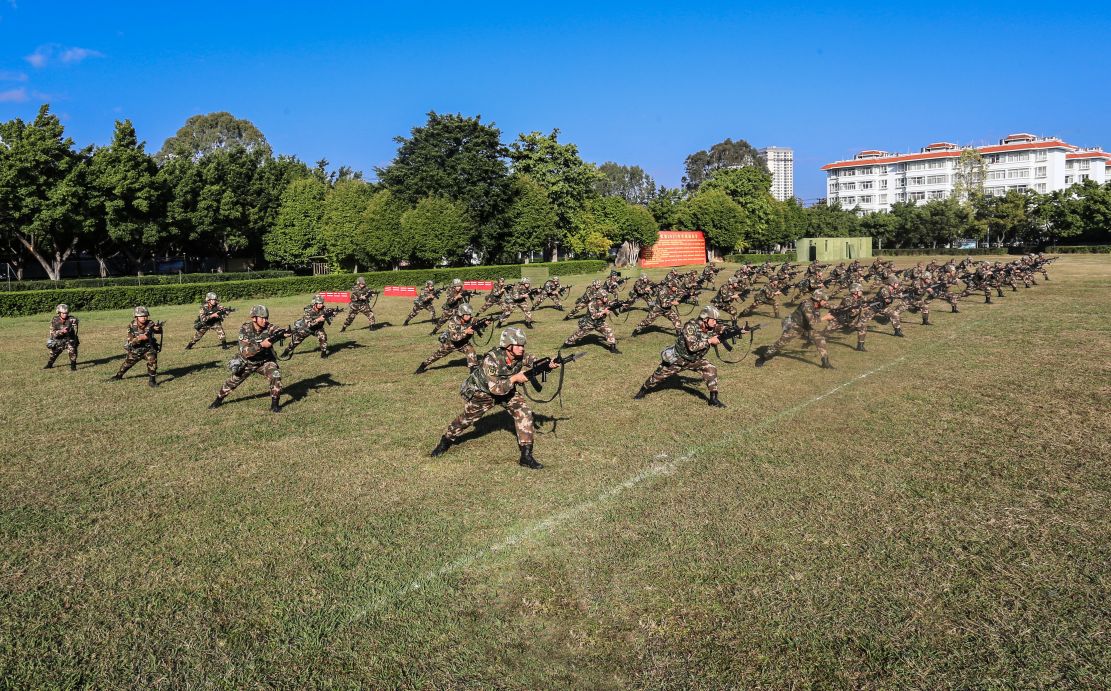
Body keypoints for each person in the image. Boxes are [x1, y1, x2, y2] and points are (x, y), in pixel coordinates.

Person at [430, 327, 560, 469]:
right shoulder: (491, 360)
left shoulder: (519, 355)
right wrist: (515, 378)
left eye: (523, 345)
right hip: (484, 394)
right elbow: (495, 389)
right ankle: (446, 441)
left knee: (524, 413)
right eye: (518, 345)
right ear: (508, 346)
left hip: (507, 391)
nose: (522, 349)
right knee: (464, 420)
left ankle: (526, 455)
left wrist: (549, 364)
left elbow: (535, 362)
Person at [634, 305, 732, 407]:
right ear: (705, 318)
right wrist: (709, 341)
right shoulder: (690, 326)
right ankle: (642, 390)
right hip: (678, 360)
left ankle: (713, 399)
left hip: (694, 360)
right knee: (656, 377)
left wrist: (737, 330)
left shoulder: (709, 326)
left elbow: (720, 328)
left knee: (711, 369)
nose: (715, 323)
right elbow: (692, 347)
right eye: (713, 320)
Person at [209, 305, 286, 413]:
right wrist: (262, 345)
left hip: (265, 361)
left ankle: (275, 405)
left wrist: (285, 333)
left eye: (266, 318)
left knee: (275, 375)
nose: (265, 320)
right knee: (232, 382)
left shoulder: (268, 326)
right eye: (262, 318)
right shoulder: (245, 329)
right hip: (248, 362)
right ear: (254, 318)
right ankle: (218, 400)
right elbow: (245, 352)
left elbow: (278, 330)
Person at [754, 290, 835, 369]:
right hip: (795, 326)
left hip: (805, 326)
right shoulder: (807, 305)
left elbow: (828, 305)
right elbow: (812, 322)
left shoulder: (817, 303)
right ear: (818, 299)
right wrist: (825, 317)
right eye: (824, 300)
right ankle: (763, 357)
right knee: (780, 344)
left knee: (820, 339)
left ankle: (825, 362)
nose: (825, 302)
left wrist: (842, 307)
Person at [415, 303, 481, 373]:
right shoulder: (453, 321)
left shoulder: (471, 319)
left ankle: (473, 369)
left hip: (463, 343)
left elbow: (479, 322)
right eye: (467, 314)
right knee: (437, 355)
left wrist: (486, 323)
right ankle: (423, 365)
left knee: (470, 350)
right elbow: (454, 337)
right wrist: (466, 332)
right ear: (461, 314)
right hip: (450, 343)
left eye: (470, 314)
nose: (469, 316)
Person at [111, 306, 163, 386]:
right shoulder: (131, 326)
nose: (144, 318)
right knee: (127, 364)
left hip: (148, 348)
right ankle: (118, 376)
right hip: (136, 349)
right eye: (141, 316)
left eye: (145, 315)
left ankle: (152, 381)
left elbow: (157, 330)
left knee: (152, 360)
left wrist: (158, 328)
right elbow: (130, 341)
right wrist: (140, 338)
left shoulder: (150, 323)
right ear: (136, 317)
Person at [282, 294, 333, 359]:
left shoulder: (323, 309)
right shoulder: (308, 311)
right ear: (314, 303)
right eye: (319, 303)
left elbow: (328, 312)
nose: (321, 305)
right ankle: (286, 351)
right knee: (296, 341)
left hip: (317, 328)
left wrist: (332, 313)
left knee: (323, 337)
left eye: (322, 303)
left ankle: (323, 353)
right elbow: (309, 324)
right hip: (306, 328)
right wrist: (318, 319)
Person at [44, 303, 79, 371]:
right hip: (59, 340)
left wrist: (75, 322)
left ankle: (73, 367)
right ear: (59, 312)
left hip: (70, 339)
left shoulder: (71, 318)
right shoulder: (54, 320)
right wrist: (61, 331)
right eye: (63, 313)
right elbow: (52, 333)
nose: (65, 314)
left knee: (72, 351)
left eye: (66, 313)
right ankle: (49, 364)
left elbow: (76, 322)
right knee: (54, 353)